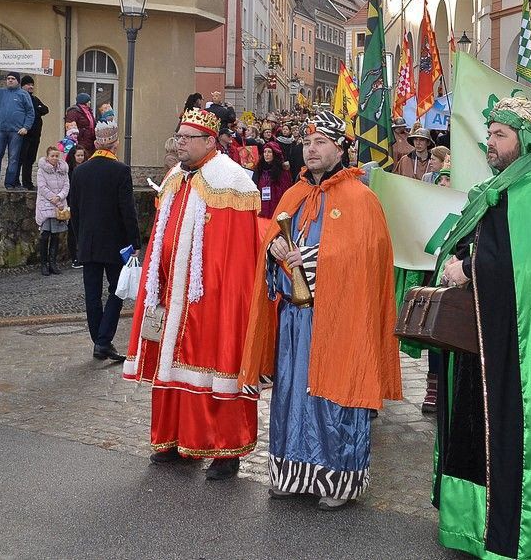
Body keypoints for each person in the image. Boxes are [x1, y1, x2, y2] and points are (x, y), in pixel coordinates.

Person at [432, 96, 531, 558]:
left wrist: (468, 268)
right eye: (490, 133)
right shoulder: (500, 187)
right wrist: (456, 259)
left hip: (517, 342)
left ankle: (510, 536)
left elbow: (529, 267)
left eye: (501, 135)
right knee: (472, 429)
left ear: (528, 139)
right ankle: (469, 525)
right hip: (481, 334)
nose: (491, 142)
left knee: (511, 432)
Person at [240, 111, 402, 509]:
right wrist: (274, 251)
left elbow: (369, 262)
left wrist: (313, 259)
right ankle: (292, 473)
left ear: (340, 149)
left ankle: (338, 478)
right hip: (294, 321)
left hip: (341, 320)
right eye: (308, 143)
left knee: (335, 394)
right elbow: (270, 249)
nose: (311, 150)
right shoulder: (292, 195)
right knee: (291, 395)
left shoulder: (362, 199)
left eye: (321, 143)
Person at [122, 108, 261, 480]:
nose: (179, 142)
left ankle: (225, 450)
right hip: (172, 295)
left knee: (216, 368)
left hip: (211, 298)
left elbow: (237, 254)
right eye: (179, 136)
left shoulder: (231, 182)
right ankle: (174, 440)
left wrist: (225, 298)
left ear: (210, 141)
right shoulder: (175, 177)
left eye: (187, 137)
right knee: (170, 366)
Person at [70, 121, 140, 361]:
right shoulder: (120, 170)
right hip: (115, 242)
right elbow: (127, 210)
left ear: (96, 143)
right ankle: (103, 340)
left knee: (92, 293)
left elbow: (75, 211)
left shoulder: (80, 171)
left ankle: (99, 340)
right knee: (117, 290)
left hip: (88, 241)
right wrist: (135, 242)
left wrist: (79, 239)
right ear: (116, 144)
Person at [0, 72, 34, 190]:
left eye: (13, 78)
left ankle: (9, 183)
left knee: (13, 158)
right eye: (8, 78)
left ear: (18, 81)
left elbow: (30, 112)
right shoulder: (0, 93)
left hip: (16, 132)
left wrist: (26, 127)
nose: (10, 80)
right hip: (0, 130)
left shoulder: (23, 94)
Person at [35, 146, 70, 276]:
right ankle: (43, 264)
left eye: (56, 156)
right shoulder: (41, 171)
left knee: (55, 235)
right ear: (47, 157)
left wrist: (59, 197)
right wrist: (54, 199)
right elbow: (42, 187)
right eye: (52, 156)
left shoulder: (63, 170)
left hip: (58, 206)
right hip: (46, 205)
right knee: (45, 235)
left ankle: (52, 263)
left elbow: (66, 186)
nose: (54, 158)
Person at [18, 75, 50, 191]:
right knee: (21, 159)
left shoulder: (35, 99)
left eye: (32, 85)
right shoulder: (20, 98)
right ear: (22, 86)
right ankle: (16, 182)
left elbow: (45, 109)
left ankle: (28, 183)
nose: (31, 87)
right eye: (28, 85)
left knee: (30, 159)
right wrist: (37, 109)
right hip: (24, 134)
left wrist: (38, 108)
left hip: (35, 135)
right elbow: (31, 112)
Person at [252, 141, 292, 219]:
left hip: (277, 207)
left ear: (275, 154)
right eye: (265, 152)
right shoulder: (260, 169)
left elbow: (286, 191)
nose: (266, 154)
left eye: (269, 152)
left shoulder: (282, 171)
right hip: (263, 205)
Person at [65, 146, 88, 268]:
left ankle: (83, 255)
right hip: (72, 202)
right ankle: (74, 256)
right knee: (72, 231)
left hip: (84, 202)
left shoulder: (87, 169)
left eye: (82, 155)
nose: (80, 158)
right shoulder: (69, 170)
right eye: (78, 155)